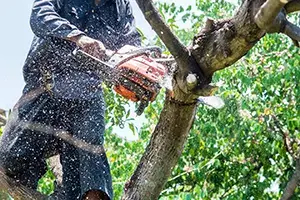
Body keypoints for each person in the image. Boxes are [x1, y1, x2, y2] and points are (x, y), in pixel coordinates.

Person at [0, 0, 141, 199]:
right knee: (9, 160)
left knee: (89, 168)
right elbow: (40, 15)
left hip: (87, 94)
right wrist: (78, 38)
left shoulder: (120, 6)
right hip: (45, 88)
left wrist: (137, 67)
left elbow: (131, 43)